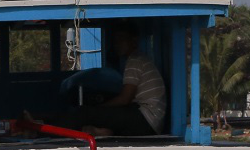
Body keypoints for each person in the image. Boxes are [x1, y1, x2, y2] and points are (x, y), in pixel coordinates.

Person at [35, 24, 165, 137]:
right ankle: (102, 131)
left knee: (85, 112)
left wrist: (98, 109)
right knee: (97, 114)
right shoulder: (138, 60)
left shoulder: (135, 60)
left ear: (134, 40)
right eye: (115, 41)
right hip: (149, 121)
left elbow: (125, 98)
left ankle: (41, 131)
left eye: (121, 39)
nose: (117, 44)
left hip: (145, 120)